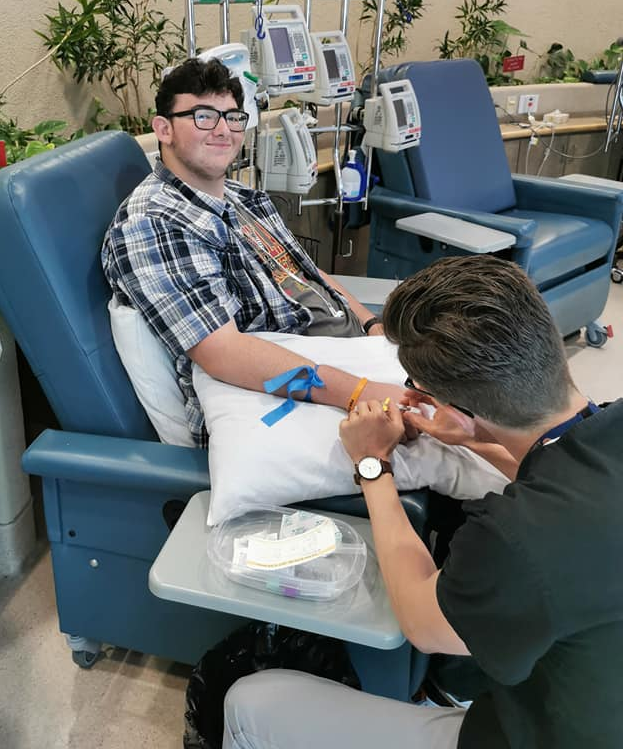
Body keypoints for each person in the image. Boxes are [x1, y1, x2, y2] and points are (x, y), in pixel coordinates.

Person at [222, 255, 623, 749]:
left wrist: (373, 464)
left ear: (452, 406)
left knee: (251, 702)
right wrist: (474, 436)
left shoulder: (515, 538)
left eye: (415, 387)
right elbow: (570, 475)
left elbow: (421, 620)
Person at [102, 56, 403, 446]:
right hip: (289, 400)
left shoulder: (242, 198)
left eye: (232, 118)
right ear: (164, 129)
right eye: (203, 116)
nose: (223, 130)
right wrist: (363, 391)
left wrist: (373, 328)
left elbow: (306, 274)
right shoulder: (154, 222)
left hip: (353, 355)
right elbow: (224, 353)